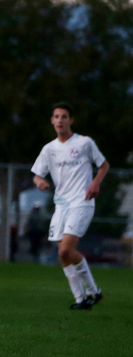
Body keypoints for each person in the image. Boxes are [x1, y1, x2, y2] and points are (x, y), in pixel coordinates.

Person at [31, 102, 109, 310]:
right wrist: (39, 182)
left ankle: (92, 291)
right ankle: (81, 298)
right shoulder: (49, 149)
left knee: (66, 249)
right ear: (52, 120)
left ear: (71, 120)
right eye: (56, 116)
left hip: (81, 202)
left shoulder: (84, 143)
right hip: (61, 205)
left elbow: (104, 165)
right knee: (63, 254)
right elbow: (37, 174)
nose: (60, 120)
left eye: (64, 116)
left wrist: (95, 182)